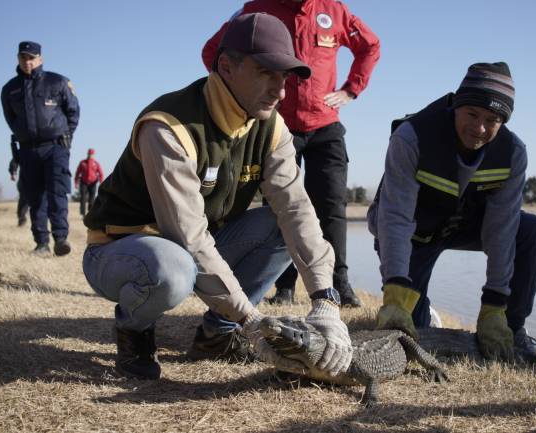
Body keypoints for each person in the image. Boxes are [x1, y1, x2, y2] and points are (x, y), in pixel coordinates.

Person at [82, 13, 352, 380]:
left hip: (191, 245)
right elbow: (187, 237)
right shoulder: (169, 127)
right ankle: (135, 329)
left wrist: (325, 299)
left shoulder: (270, 124)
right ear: (226, 66)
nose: (281, 90)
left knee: (279, 226)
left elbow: (296, 209)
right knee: (172, 271)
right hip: (123, 248)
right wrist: (251, 319)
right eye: (266, 73)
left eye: (284, 76)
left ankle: (217, 336)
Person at [202, 0, 381, 307]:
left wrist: (352, 89)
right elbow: (212, 51)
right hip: (278, 126)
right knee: (279, 206)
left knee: (332, 206)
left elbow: (370, 46)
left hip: (325, 125)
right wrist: (240, 97)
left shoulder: (335, 10)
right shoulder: (255, 10)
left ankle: (340, 285)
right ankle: (284, 286)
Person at [368, 62, 536, 360]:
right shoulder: (411, 137)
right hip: (413, 231)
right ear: (455, 105)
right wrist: (396, 291)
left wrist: (494, 303)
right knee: (415, 329)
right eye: (472, 114)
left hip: (463, 224)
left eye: (492, 120)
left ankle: (513, 330)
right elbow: (395, 218)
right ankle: (422, 311)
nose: (479, 128)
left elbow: (501, 229)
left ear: (503, 121)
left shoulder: (513, 153)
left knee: (530, 230)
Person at [1, 41, 80, 256]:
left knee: (57, 192)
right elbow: (11, 119)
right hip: (28, 151)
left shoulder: (58, 82)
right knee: (35, 197)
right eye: (23, 57)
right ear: (18, 59)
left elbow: (73, 112)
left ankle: (61, 238)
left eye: (31, 58)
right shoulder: (10, 89)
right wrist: (23, 135)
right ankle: (42, 243)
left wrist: (67, 137)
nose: (27, 62)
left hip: (56, 148)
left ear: (40, 59)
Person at [74, 148, 104, 216]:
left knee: (92, 199)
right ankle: (83, 213)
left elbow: (101, 174)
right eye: (89, 154)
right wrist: (76, 182)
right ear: (87, 154)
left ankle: (90, 213)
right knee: (83, 198)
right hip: (83, 183)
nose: (90, 155)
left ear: (93, 155)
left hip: (93, 183)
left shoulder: (96, 163)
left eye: (91, 154)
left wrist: (101, 182)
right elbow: (77, 173)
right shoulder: (82, 162)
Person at [8, 134, 29, 227]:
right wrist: (13, 172)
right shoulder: (23, 151)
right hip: (25, 179)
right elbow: (15, 160)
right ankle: (22, 219)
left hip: (40, 178)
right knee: (24, 200)